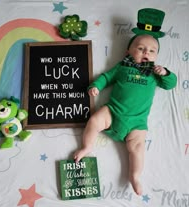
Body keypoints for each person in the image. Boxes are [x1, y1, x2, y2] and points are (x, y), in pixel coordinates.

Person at [73, 8, 177, 196]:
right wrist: (96, 86)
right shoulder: (122, 67)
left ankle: (135, 175)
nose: (146, 52)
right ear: (128, 51)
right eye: (140, 48)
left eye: (152, 51)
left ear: (156, 56)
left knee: (137, 148)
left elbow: (171, 85)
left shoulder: (155, 73)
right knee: (95, 120)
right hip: (113, 112)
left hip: (137, 122)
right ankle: (87, 146)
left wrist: (167, 73)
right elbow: (106, 77)